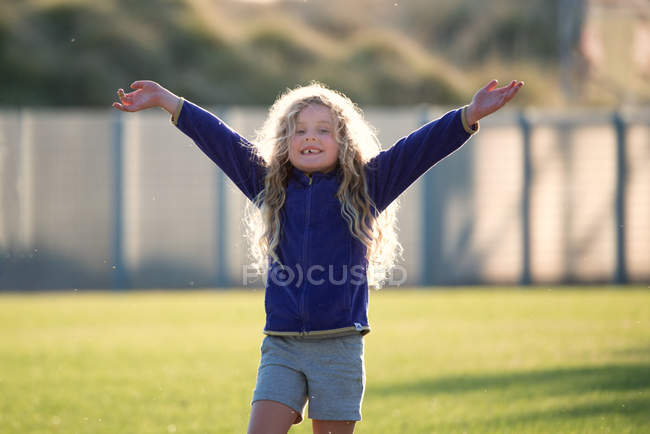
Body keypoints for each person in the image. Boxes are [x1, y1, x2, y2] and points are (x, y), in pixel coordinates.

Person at [112, 78, 523, 434]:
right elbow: (223, 142)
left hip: (339, 347)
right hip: (282, 346)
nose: (310, 137)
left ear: (343, 141)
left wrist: (468, 116)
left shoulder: (366, 187)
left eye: (323, 130)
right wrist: (170, 101)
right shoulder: (269, 185)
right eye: (299, 130)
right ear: (284, 141)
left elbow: (418, 149)